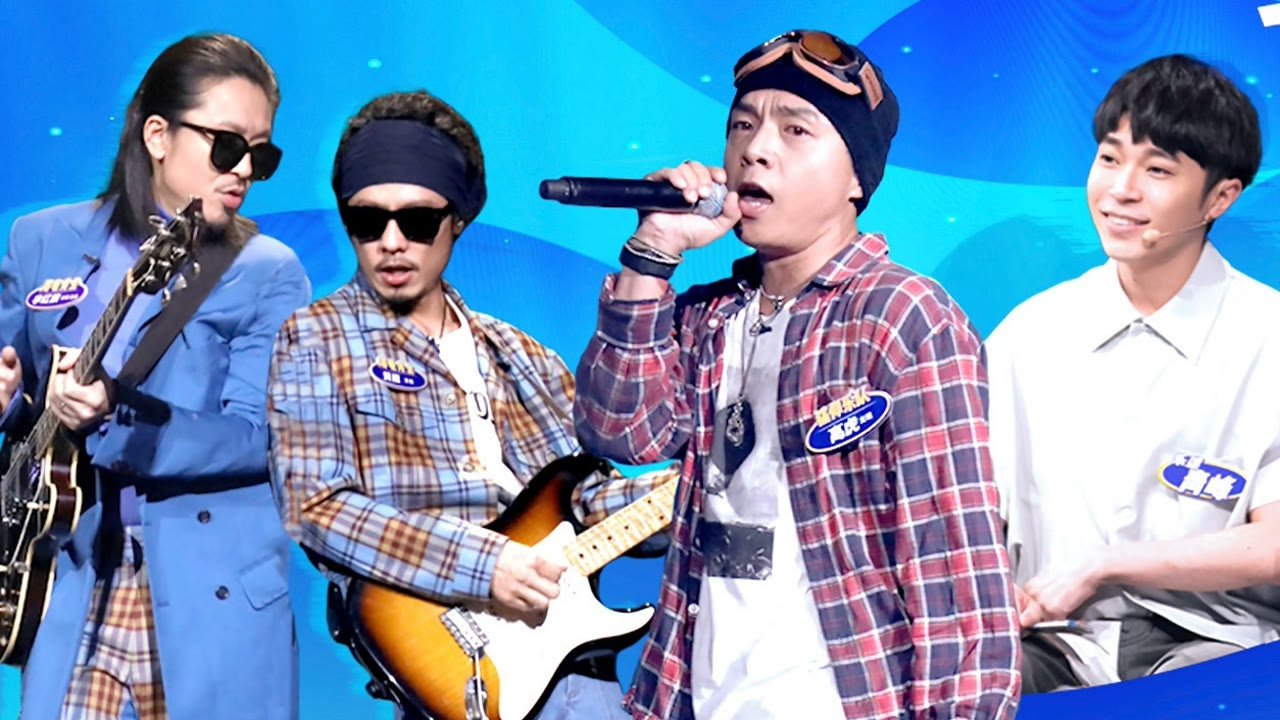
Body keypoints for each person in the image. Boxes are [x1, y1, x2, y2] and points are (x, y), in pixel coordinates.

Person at [573, 29, 1021, 720]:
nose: (756, 149)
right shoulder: (707, 316)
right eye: (743, 125)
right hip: (694, 697)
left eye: (795, 129)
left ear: (856, 179)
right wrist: (652, 251)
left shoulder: (902, 316)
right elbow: (621, 432)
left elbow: (953, 559)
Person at [267, 89, 666, 720]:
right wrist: (487, 564)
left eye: (417, 221)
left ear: (458, 219)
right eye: (367, 221)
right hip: (457, 658)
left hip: (572, 655)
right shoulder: (315, 338)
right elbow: (316, 508)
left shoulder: (524, 354)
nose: (391, 242)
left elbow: (588, 499)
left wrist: (679, 494)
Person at [0, 33, 309, 720]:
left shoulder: (269, 272)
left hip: (208, 592)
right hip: (69, 578)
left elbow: (260, 437)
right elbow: (19, 396)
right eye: (227, 146)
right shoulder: (40, 240)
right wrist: (9, 400)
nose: (244, 170)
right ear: (158, 135)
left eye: (262, 155)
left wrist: (116, 414)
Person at [987, 54, 1277, 692]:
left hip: (1219, 646)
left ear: (1221, 197)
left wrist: (1107, 565)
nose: (1121, 189)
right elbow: (973, 516)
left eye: (1158, 170)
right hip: (1045, 646)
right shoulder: (1028, 334)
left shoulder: (1269, 337)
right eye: (1110, 158)